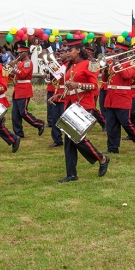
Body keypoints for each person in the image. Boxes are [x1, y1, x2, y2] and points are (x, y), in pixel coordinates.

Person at [48, 38, 110, 182]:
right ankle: (71, 174)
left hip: (84, 105)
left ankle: (102, 158)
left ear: (78, 50)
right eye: (66, 50)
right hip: (70, 104)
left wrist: (77, 84)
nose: (67, 53)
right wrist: (58, 95)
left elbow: (94, 86)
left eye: (70, 50)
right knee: (69, 140)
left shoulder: (89, 64)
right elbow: (70, 88)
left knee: (78, 138)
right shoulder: (70, 66)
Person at [103, 42, 135, 154]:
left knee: (125, 123)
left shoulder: (130, 63)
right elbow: (105, 80)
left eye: (118, 52)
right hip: (111, 97)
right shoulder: (112, 64)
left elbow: (127, 75)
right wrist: (105, 71)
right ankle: (112, 147)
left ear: (125, 53)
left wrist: (118, 65)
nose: (115, 54)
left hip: (122, 96)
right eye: (115, 51)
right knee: (111, 124)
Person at [10, 44, 45, 138]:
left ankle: (39, 123)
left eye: (21, 53)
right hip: (17, 89)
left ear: (26, 52)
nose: (19, 54)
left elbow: (22, 74)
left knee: (23, 112)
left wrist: (14, 67)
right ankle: (18, 133)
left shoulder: (28, 62)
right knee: (15, 114)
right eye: (18, 53)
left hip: (24, 89)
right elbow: (15, 75)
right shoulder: (19, 62)